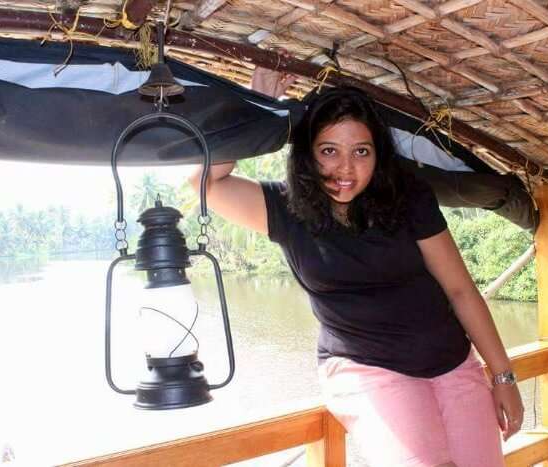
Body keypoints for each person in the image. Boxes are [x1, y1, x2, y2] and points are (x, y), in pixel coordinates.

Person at [188, 64, 524, 467]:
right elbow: (204, 183)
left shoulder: (407, 196)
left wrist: (503, 377)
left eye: (360, 152)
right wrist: (257, 109)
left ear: (377, 155)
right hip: (368, 369)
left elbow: (460, 290)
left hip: (453, 362)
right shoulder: (285, 208)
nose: (345, 169)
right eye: (329, 150)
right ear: (308, 155)